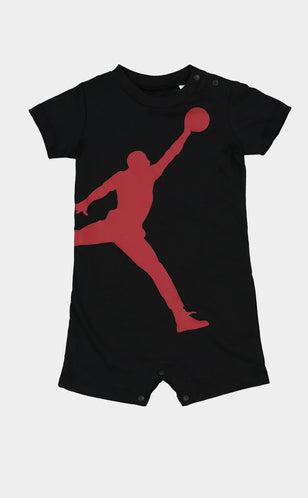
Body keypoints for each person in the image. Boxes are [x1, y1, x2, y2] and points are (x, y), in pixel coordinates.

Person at [74, 107, 210, 332]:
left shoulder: (135, 175)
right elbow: (171, 153)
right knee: (157, 271)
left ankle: (181, 318)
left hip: (115, 227)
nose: (146, 160)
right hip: (125, 232)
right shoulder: (148, 174)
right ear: (137, 163)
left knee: (78, 238)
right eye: (144, 159)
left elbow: (101, 190)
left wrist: (85, 203)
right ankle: (180, 317)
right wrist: (186, 132)